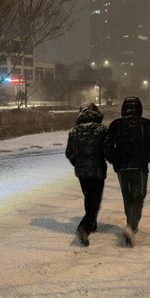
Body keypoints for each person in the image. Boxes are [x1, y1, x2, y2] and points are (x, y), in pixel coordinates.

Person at [105, 96, 150, 247]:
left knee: (127, 196)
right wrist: (144, 159)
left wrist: (115, 161)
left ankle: (130, 223)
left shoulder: (116, 125)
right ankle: (132, 226)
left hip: (122, 168)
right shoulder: (147, 125)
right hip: (140, 167)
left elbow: (107, 147)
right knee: (138, 197)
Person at [65, 102, 108, 246]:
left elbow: (69, 153)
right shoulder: (102, 130)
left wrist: (79, 164)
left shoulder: (74, 131)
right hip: (97, 171)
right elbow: (107, 151)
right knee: (94, 201)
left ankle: (92, 224)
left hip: (82, 173)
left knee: (88, 197)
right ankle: (84, 227)